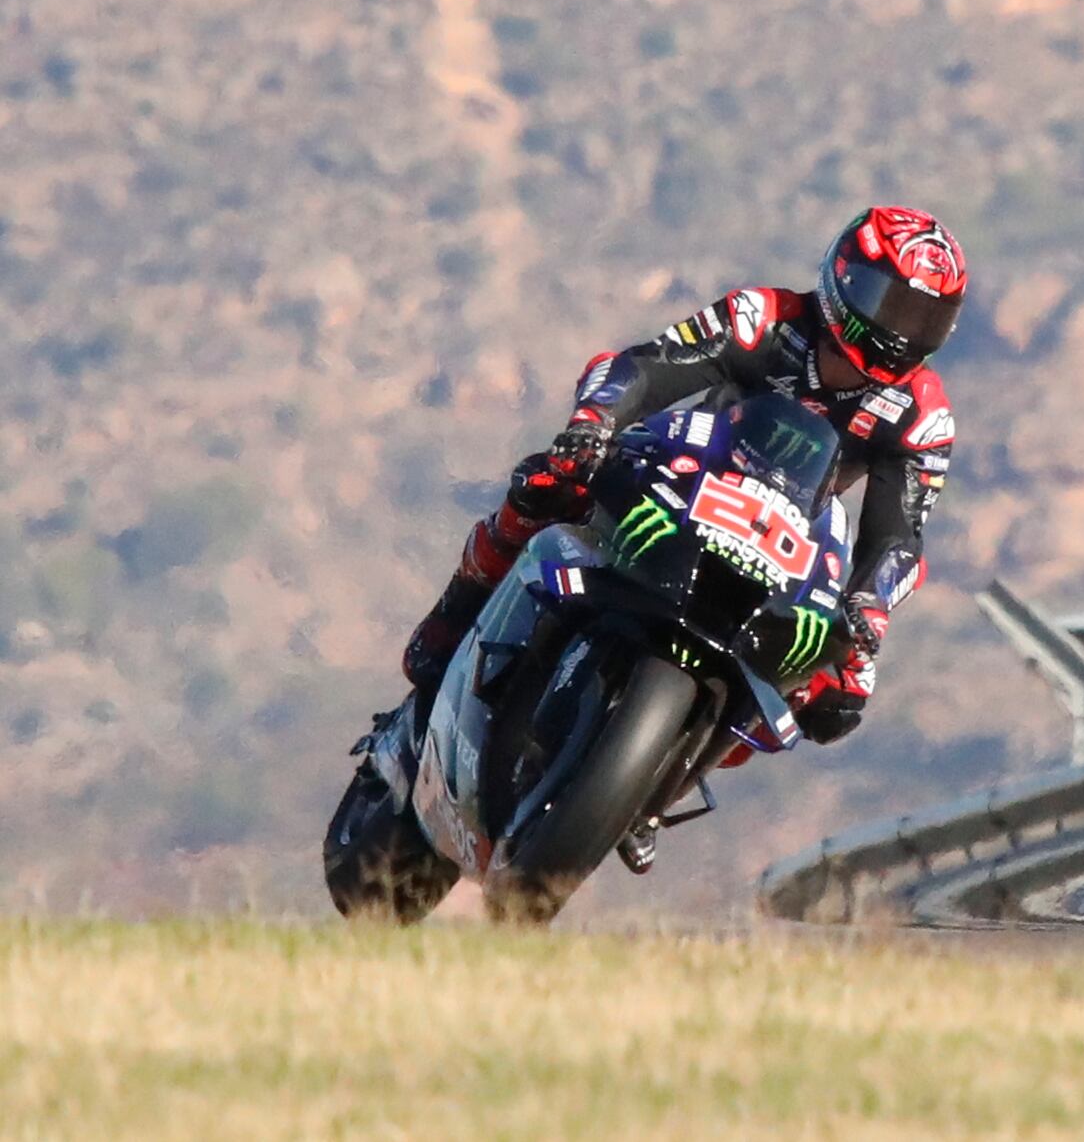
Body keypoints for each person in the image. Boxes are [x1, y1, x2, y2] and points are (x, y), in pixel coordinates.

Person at [400, 206, 965, 869]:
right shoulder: (765, 318)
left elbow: (899, 535)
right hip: (685, 476)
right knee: (549, 483)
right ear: (843, 278)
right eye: (888, 303)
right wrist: (593, 423)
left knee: (836, 699)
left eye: (923, 318)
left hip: (788, 542)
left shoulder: (922, 415)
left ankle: (656, 782)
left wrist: (867, 607)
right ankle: (452, 622)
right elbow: (646, 367)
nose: (899, 331)